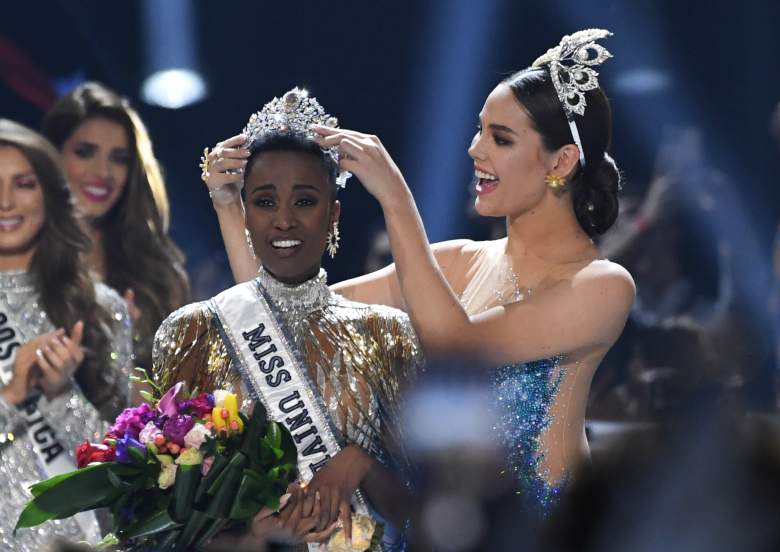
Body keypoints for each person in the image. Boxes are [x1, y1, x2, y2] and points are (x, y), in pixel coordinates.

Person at [205, 30, 634, 514]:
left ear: (562, 160)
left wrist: (395, 197)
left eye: (501, 138)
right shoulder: (456, 261)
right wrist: (229, 207)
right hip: (442, 528)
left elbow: (458, 347)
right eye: (479, 130)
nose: (475, 149)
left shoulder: (602, 285)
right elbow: (284, 319)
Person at [156, 88, 422, 550]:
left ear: (333, 213)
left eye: (303, 201)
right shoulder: (191, 331)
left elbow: (425, 512)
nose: (283, 221)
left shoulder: (387, 333)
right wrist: (251, 537)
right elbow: (164, 511)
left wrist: (359, 462)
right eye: (264, 202)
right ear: (243, 214)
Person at [0, 119, 133, 550]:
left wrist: (61, 395)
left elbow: (125, 469)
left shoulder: (99, 308)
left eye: (23, 184)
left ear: (50, 195)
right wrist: (14, 396)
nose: (5, 202)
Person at [41, 82, 190, 372]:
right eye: (85, 152)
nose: (103, 173)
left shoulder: (157, 275)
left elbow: (181, 399)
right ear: (53, 156)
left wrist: (125, 346)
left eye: (119, 159)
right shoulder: (19, 259)